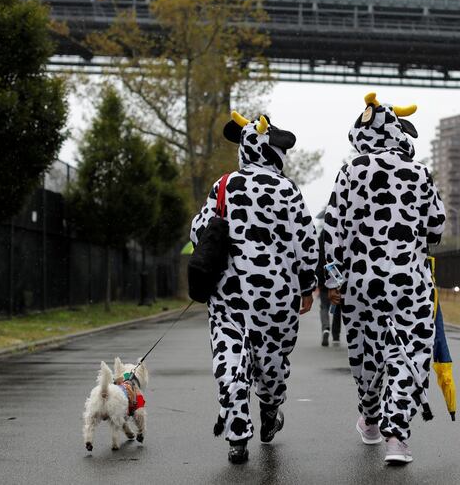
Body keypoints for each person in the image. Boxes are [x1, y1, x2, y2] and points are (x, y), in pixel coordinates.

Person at [323, 92, 445, 465]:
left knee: (367, 356)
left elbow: (332, 231)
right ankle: (397, 438)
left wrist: (333, 280)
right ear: (398, 133)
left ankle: (371, 418)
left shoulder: (351, 171)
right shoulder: (420, 173)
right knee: (409, 354)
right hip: (410, 283)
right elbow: (436, 227)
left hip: (362, 285)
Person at [190, 111, 318, 464]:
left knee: (230, 362)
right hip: (276, 299)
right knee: (272, 365)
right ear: (275, 152)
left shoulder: (225, 185)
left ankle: (236, 436)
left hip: (228, 296)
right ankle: (269, 412)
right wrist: (308, 285)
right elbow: (306, 243)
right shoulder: (287, 190)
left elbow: (200, 231)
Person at [317, 227, 342, 346]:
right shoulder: (337, 237)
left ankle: (325, 328)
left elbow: (316, 260)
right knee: (337, 305)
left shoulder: (319, 240)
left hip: (322, 278)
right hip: (337, 276)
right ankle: (336, 335)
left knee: (324, 306)